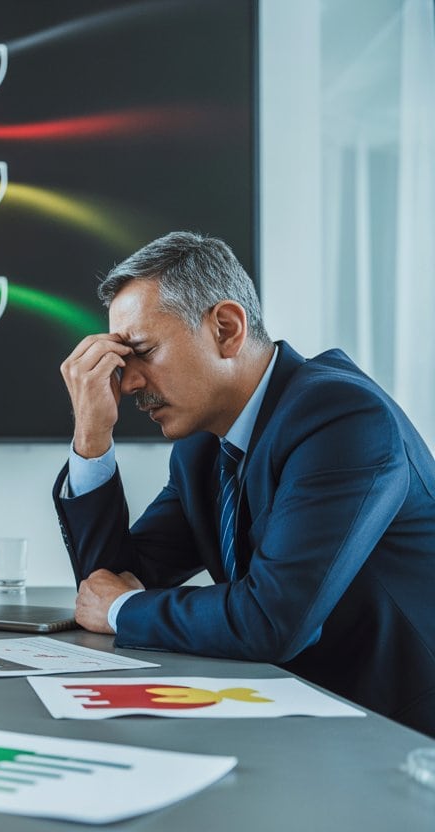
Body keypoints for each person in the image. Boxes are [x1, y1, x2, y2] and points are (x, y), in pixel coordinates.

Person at [55, 230, 435, 736]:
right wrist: (91, 436)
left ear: (227, 329)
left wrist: (123, 609)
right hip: (297, 718)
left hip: (396, 737)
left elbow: (273, 619)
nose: (127, 384)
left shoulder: (343, 418)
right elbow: (108, 583)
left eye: (142, 351)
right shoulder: (203, 448)